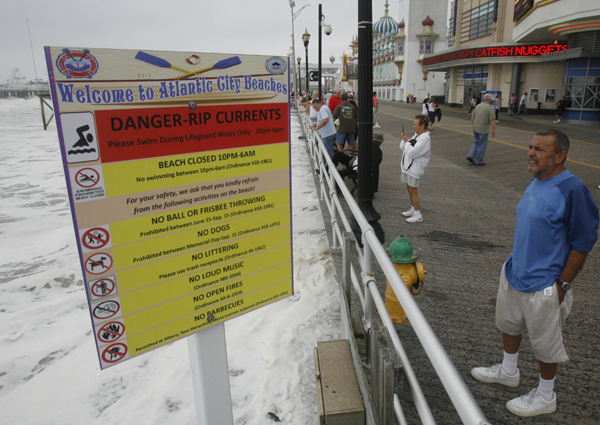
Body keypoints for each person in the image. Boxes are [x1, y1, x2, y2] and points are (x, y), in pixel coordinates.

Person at [471, 129, 599, 418]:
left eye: (540, 149)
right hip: (516, 272)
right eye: (531, 147)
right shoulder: (537, 179)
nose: (531, 152)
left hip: (545, 283)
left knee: (545, 343)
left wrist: (562, 286)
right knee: (509, 324)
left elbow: (583, 241)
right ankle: (508, 370)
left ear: (560, 156)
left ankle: (545, 395)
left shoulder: (573, 189)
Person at [400, 115, 431, 223]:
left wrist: (407, 141)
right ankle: (413, 209)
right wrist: (405, 140)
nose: (413, 126)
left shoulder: (425, 138)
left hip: (415, 167)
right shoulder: (416, 135)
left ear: (423, 126)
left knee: (413, 190)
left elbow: (413, 152)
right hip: (408, 166)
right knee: (409, 188)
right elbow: (403, 148)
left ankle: (418, 214)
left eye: (415, 124)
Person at [467, 93, 496, 166]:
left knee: (476, 142)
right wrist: (494, 130)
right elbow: (492, 120)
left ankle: (471, 155)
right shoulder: (489, 108)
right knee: (482, 144)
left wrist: (473, 125)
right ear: (490, 99)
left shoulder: (478, 106)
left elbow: (473, 116)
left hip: (476, 127)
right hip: (483, 129)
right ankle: (479, 160)